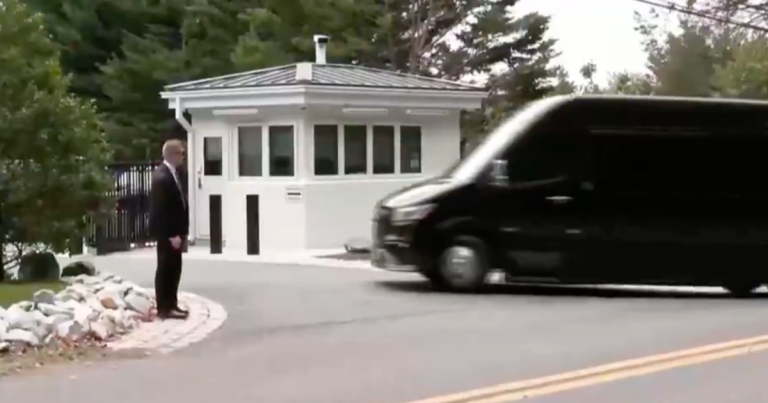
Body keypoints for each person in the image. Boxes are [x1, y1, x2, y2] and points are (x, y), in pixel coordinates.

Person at [149, 139, 189, 319]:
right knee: (166, 268)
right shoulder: (162, 177)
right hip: (168, 234)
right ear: (173, 154)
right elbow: (161, 210)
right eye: (181, 153)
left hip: (176, 232)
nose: (183, 156)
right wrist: (171, 235)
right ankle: (164, 307)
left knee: (174, 268)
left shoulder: (172, 174)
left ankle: (172, 303)